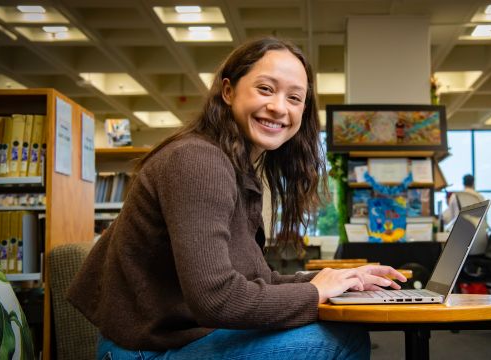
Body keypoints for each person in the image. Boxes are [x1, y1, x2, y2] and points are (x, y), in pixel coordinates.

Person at [67, 37, 406, 359]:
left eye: (294, 98)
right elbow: (215, 299)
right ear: (228, 91)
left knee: (330, 326)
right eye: (265, 89)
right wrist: (316, 292)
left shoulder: (233, 167)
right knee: (338, 340)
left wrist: (338, 281)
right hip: (147, 352)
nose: (278, 108)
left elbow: (257, 281)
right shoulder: (198, 161)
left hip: (179, 340)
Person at [442, 174, 487, 255]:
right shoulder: (480, 197)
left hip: (461, 243)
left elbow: (449, 218)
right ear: (473, 183)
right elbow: (484, 221)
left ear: (463, 183)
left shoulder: (455, 197)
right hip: (479, 243)